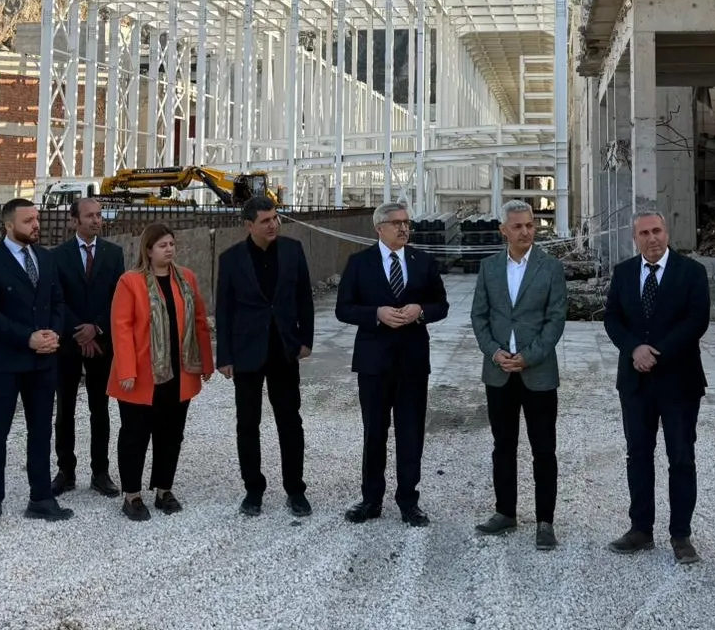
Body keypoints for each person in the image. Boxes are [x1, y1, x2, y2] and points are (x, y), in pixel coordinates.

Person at [602, 210, 711, 564]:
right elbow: (612, 318)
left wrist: (656, 353)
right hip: (635, 382)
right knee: (638, 455)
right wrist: (634, 348)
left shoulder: (691, 272)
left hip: (679, 381)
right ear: (635, 238)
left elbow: (697, 320)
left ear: (667, 232)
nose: (652, 238)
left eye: (657, 231)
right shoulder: (623, 272)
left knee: (681, 457)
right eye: (644, 233)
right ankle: (640, 529)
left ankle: (681, 535)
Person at [335, 201, 449, 527]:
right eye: (397, 223)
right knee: (374, 433)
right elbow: (343, 308)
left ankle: (408, 501)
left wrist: (420, 311)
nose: (404, 228)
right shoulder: (359, 263)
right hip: (373, 362)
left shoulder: (423, 261)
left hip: (413, 362)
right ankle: (371, 500)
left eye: (406, 222)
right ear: (379, 228)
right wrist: (376, 314)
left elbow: (441, 304)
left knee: (411, 433)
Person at [469, 200, 568, 550]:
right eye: (518, 226)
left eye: (530, 225)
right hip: (499, 372)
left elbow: (555, 319)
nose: (526, 231)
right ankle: (505, 512)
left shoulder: (551, 267)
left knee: (544, 449)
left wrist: (529, 356)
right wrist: (494, 352)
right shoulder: (489, 268)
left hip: (537, 373)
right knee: (503, 446)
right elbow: (479, 316)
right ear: (503, 230)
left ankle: (545, 522)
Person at [0, 198, 72, 530]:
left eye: (37, 219)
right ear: (9, 224)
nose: (36, 225)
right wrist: (27, 338)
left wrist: (54, 333)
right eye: (28, 221)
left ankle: (40, 498)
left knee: (41, 429)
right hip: (5, 361)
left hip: (44, 361)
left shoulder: (45, 258)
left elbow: (58, 301)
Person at [216, 196, 315, 518]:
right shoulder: (231, 259)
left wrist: (306, 340)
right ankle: (253, 490)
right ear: (249, 225)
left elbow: (304, 297)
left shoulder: (293, 250)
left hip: (284, 350)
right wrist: (224, 356)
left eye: (275, 218)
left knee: (290, 421)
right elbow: (224, 309)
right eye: (265, 220)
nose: (273, 224)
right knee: (247, 424)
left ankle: (295, 490)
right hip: (247, 353)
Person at [109, 223, 215, 521]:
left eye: (171, 244)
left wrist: (205, 363)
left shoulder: (186, 278)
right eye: (162, 245)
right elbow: (121, 328)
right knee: (135, 435)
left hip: (179, 373)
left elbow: (200, 321)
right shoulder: (130, 282)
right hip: (141, 375)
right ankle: (132, 495)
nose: (169, 249)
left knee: (171, 435)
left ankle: (164, 489)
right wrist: (126, 370)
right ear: (148, 249)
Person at [50, 197, 125, 498]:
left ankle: (100, 473)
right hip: (68, 345)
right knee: (64, 408)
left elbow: (117, 298)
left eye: (99, 215)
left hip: (102, 343)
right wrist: (79, 332)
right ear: (74, 221)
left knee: (100, 409)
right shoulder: (57, 256)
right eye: (90, 215)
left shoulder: (113, 253)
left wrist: (96, 328)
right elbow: (56, 299)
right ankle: (65, 472)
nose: (96, 220)